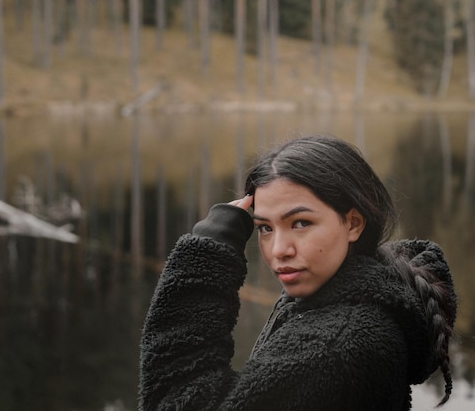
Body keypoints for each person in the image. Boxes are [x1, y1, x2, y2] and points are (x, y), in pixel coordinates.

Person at [139, 135, 457, 411]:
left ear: (353, 223)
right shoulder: (347, 297)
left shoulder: (331, 350)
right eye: (264, 227)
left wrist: (201, 261)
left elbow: (177, 401)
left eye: (301, 223)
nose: (279, 249)